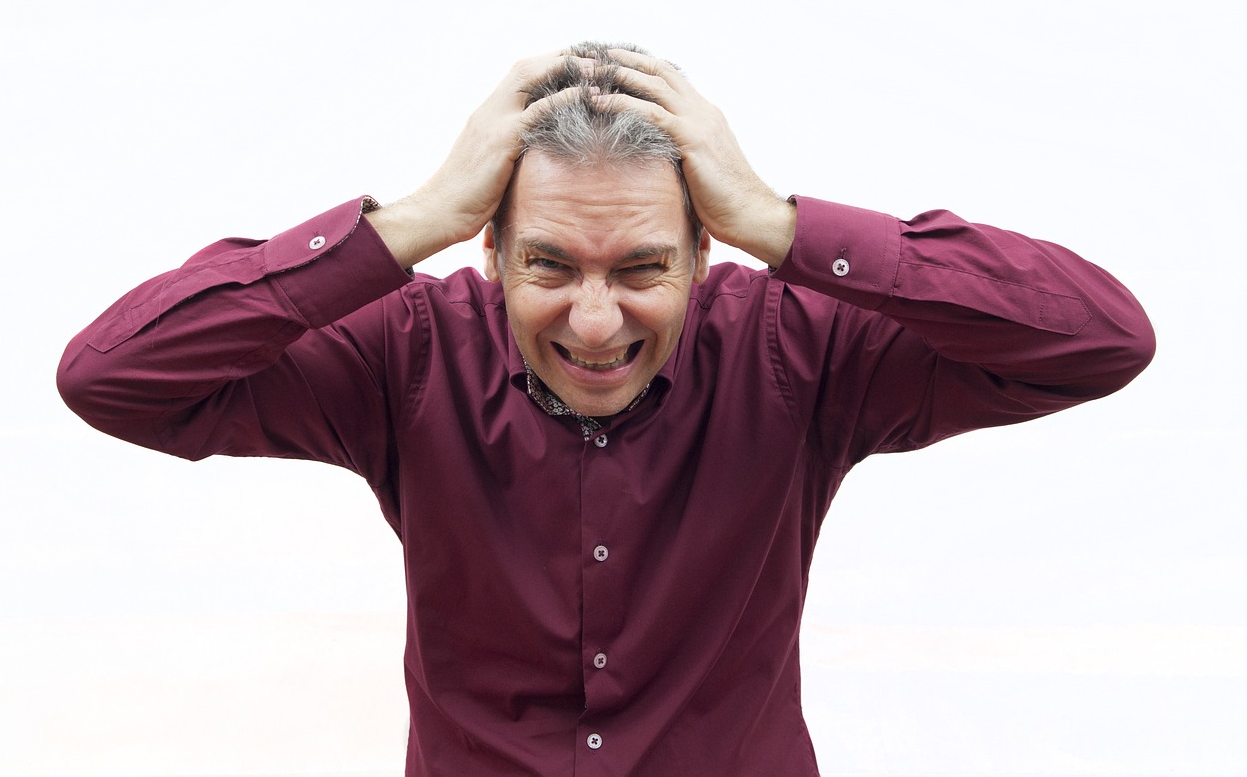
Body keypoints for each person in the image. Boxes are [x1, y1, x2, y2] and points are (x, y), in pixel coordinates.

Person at [57, 42, 1155, 776]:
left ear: (702, 250)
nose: (592, 321)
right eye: (546, 263)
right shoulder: (407, 351)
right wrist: (410, 218)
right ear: (483, 250)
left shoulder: (793, 345)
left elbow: (1099, 337)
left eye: (639, 265)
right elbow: (114, 374)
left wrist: (784, 223)